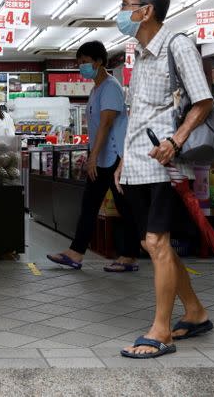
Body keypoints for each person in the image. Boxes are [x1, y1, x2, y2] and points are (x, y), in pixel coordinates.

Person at [114, 0, 214, 359]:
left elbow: (202, 101)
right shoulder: (139, 54)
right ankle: (195, 311)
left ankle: (161, 332)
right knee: (150, 243)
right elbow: (140, 115)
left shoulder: (178, 45)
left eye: (126, 4)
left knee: (157, 243)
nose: (121, 13)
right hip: (139, 165)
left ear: (146, 11)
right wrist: (124, 160)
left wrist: (176, 140)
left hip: (166, 165)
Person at [46, 41, 140, 273]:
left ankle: (129, 256)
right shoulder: (97, 88)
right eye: (79, 63)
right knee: (89, 205)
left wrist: (92, 156)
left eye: (85, 62)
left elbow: (107, 124)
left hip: (116, 157)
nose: (82, 67)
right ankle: (76, 253)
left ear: (99, 62)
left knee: (125, 208)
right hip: (102, 157)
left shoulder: (110, 87)